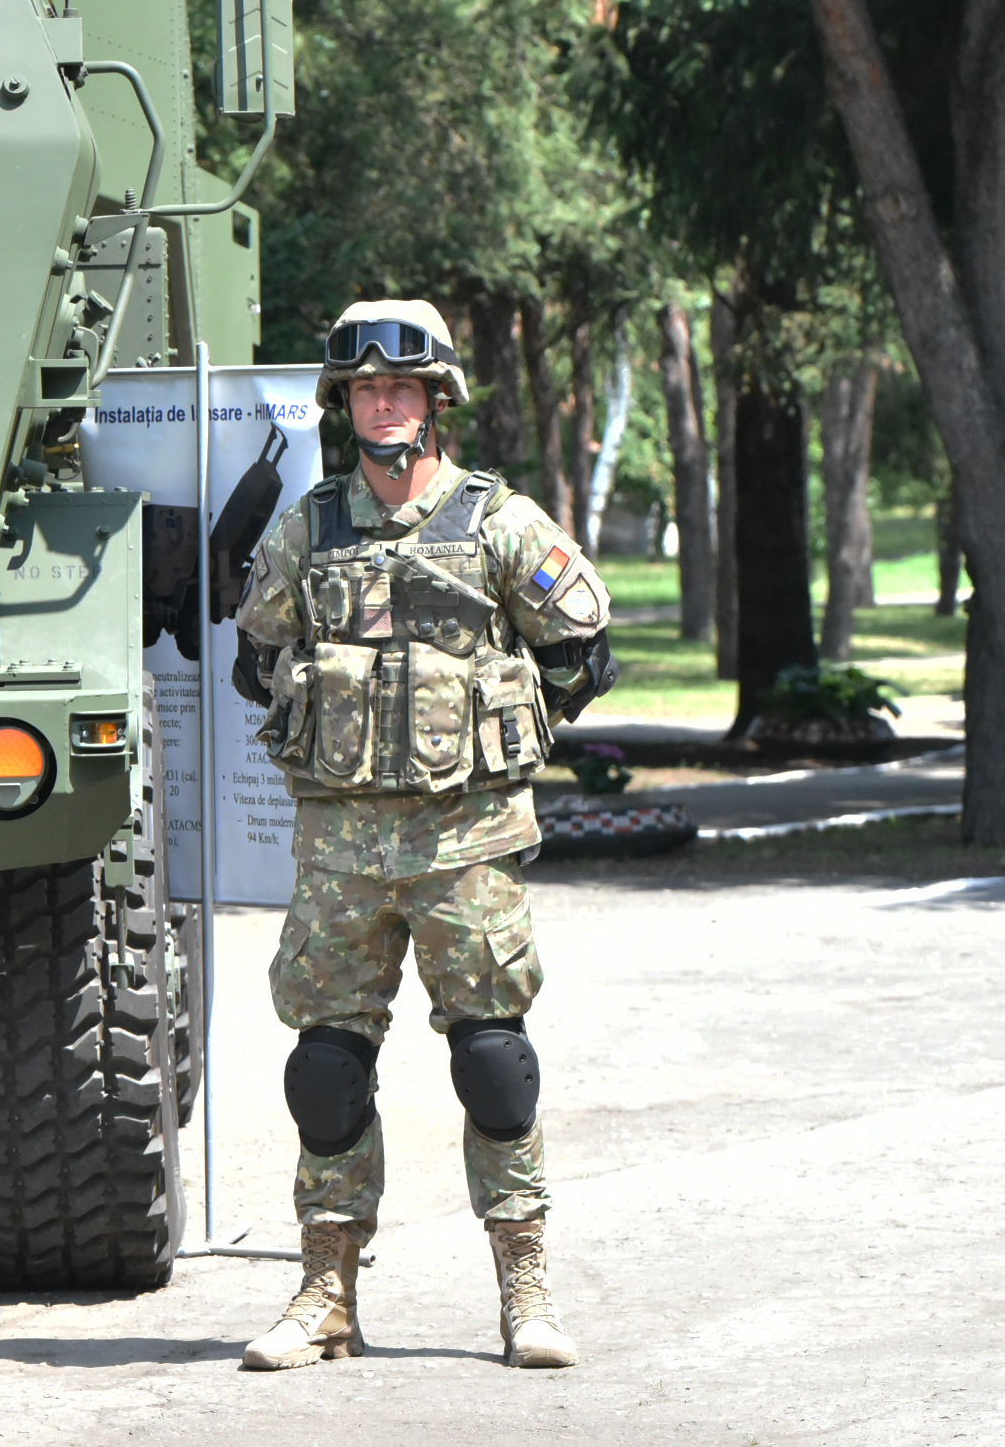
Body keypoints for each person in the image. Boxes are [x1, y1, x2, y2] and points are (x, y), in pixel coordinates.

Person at [227, 300, 615, 1372]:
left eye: (401, 386)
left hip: (465, 845)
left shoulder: (498, 524)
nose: (383, 402)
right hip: (341, 853)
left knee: (494, 1064)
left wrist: (486, 725)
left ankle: (525, 1291)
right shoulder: (308, 529)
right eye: (364, 388)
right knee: (325, 1072)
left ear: (436, 399)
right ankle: (324, 1296)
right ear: (343, 403)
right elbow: (256, 662)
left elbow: (582, 650)